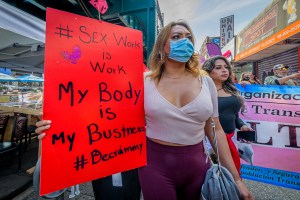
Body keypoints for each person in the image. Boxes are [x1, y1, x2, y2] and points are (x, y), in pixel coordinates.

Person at [35, 20, 253, 200]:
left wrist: (237, 180)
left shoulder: (205, 82)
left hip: (198, 165)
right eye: (176, 37)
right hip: (155, 166)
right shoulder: (141, 82)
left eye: (188, 37)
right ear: (162, 46)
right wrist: (58, 125)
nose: (184, 41)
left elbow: (215, 132)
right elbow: (102, 112)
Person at [202, 56, 252, 174]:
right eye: (218, 68)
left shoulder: (232, 89)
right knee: (213, 176)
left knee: (231, 174)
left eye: (226, 67)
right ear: (208, 71)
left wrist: (242, 126)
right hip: (209, 142)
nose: (224, 70)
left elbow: (234, 115)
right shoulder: (201, 91)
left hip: (230, 139)